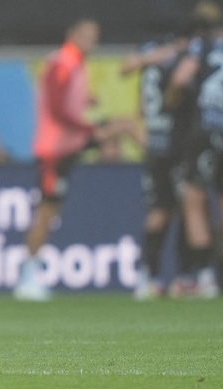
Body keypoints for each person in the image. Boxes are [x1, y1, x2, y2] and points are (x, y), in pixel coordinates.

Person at [14, 18, 138, 301]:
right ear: (71, 35)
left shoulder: (76, 64)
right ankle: (27, 278)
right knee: (45, 212)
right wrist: (88, 128)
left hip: (71, 145)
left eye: (95, 37)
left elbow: (67, 101)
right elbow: (56, 107)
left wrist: (86, 104)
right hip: (55, 150)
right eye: (86, 36)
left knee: (51, 212)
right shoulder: (63, 62)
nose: (91, 43)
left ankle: (30, 275)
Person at [168, 14, 223, 299]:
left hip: (206, 130)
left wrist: (174, 96)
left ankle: (205, 277)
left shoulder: (202, 47)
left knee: (194, 199)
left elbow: (181, 78)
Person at [120, 19, 195, 300]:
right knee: (183, 208)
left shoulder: (151, 54)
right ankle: (184, 277)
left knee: (159, 210)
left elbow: (125, 68)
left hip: (154, 142)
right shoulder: (182, 57)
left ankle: (147, 277)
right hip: (175, 143)